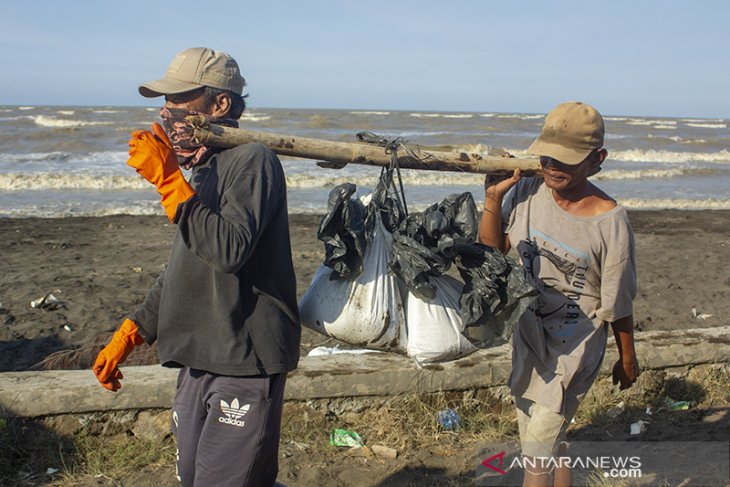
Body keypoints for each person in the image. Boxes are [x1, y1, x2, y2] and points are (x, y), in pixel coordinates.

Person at [91, 47, 301, 486]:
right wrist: (132, 331)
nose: (167, 114)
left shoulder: (253, 161)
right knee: (192, 476)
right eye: (163, 104)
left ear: (220, 105)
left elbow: (228, 250)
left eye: (180, 100)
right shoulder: (203, 171)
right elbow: (185, 265)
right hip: (199, 355)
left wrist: (169, 182)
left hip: (245, 356)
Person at [479, 101, 640, 487]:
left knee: (535, 457)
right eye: (548, 155)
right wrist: (492, 198)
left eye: (567, 160)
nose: (553, 166)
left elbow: (618, 301)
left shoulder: (610, 222)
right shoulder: (531, 191)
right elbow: (492, 254)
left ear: (597, 159)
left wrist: (628, 358)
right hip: (530, 338)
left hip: (574, 348)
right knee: (550, 442)